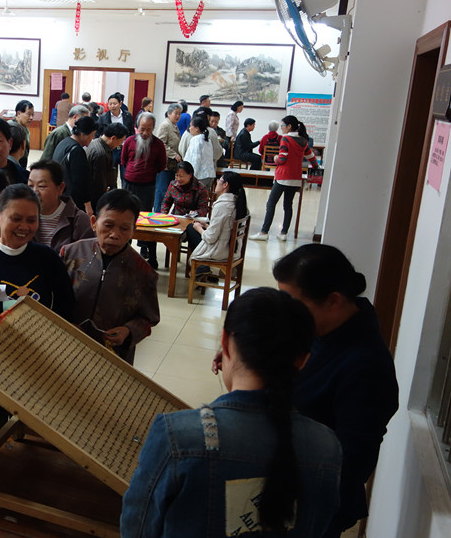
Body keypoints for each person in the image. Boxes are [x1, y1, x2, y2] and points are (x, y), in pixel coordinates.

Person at [123, 287, 342, 538]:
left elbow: (137, 528)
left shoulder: (177, 436)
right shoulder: (326, 447)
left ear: (225, 343)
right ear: (302, 360)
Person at [270, 244, 399, 537]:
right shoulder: (323, 328)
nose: (287, 315)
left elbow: (351, 462)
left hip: (312, 502)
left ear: (333, 301)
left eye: (295, 306)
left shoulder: (366, 367)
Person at [0, 184, 76, 453]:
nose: (24, 227)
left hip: (40, 368)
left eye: (31, 220)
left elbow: (66, 311)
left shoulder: (47, 260)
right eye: (16, 218)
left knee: (41, 445)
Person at [60, 189, 159, 365]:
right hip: (65, 345)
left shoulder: (143, 272)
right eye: (108, 225)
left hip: (112, 355)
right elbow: (52, 299)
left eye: (124, 228)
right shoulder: (70, 254)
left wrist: (128, 331)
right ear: (94, 223)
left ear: (133, 230)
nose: (114, 235)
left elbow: (149, 318)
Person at [250, 115, 319, 241]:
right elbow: (312, 159)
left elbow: (282, 158)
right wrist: (315, 167)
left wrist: (275, 158)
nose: (281, 128)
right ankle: (283, 233)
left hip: (283, 177)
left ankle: (264, 232)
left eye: (282, 126)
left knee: (271, 203)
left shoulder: (286, 139)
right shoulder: (303, 141)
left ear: (289, 126)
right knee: (288, 206)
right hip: (296, 178)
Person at [121, 112, 167, 269]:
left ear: (153, 128)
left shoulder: (158, 145)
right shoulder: (129, 141)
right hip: (129, 184)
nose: (145, 133)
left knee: (147, 219)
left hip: (147, 186)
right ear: (137, 127)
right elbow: (123, 161)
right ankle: (124, 251)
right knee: (126, 216)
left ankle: (150, 255)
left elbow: (161, 166)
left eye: (148, 129)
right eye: (142, 129)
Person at [185, 171, 248, 276]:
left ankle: (203, 267)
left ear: (225, 185)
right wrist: (206, 226)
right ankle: (204, 269)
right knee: (197, 227)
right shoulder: (237, 202)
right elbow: (225, 228)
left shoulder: (222, 205)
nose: (217, 181)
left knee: (191, 228)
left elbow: (211, 238)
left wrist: (199, 228)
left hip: (221, 251)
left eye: (220, 179)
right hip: (232, 249)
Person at [28, 159, 93, 252]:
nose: (35, 192)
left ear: (60, 188)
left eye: (41, 186)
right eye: (30, 186)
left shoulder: (79, 220)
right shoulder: (23, 217)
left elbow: (87, 256)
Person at [52, 115, 98, 215]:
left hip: (59, 195)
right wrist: (88, 205)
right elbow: (80, 181)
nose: (93, 138)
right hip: (72, 200)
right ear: (83, 134)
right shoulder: (77, 150)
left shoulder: (64, 142)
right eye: (92, 135)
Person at [86, 122, 128, 210]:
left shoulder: (97, 143)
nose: (120, 144)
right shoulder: (100, 154)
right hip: (96, 199)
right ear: (113, 138)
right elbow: (99, 184)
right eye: (121, 141)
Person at [153, 103, 183, 212]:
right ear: (169, 113)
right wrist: (173, 154)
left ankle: (164, 214)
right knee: (162, 191)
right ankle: (157, 215)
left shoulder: (174, 126)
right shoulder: (165, 125)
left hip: (173, 165)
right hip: (164, 165)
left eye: (179, 114)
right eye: (175, 113)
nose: (177, 116)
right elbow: (160, 144)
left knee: (169, 192)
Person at [179, 116, 216, 190]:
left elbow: (195, 160)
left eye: (191, 126)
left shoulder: (196, 140)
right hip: (209, 174)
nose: (189, 128)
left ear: (197, 128)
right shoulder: (207, 140)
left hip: (200, 175)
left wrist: (191, 176)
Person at [9, 100, 34, 168]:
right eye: (28, 114)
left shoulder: (26, 129)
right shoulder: (9, 127)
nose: (31, 118)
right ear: (18, 113)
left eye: (32, 115)